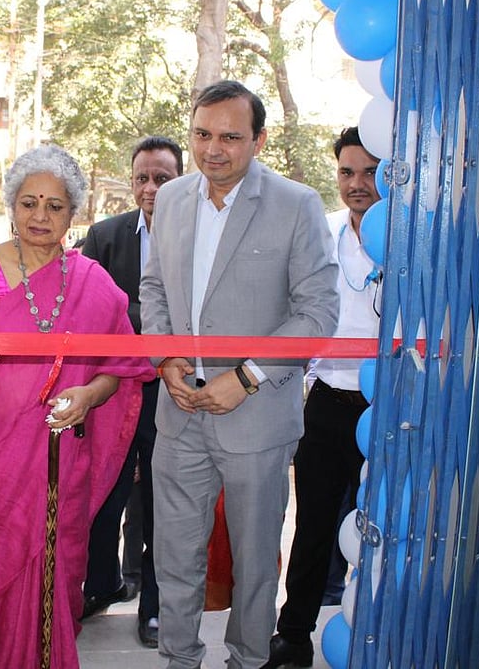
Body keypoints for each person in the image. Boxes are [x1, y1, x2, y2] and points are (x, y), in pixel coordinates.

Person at [0, 144, 153, 668]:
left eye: (55, 205)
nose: (40, 216)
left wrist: (90, 395)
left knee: (53, 581)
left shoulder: (93, 280)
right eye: (29, 203)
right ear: (11, 206)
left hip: (57, 464)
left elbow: (121, 368)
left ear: (74, 213)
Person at [139, 80, 339, 669]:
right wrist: (167, 357)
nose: (213, 149)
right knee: (174, 557)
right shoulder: (171, 198)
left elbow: (319, 311)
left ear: (259, 139)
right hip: (179, 412)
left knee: (254, 563)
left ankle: (248, 660)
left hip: (256, 417)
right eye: (202, 134)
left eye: (230, 137)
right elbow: (154, 290)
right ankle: (179, 659)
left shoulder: (295, 203)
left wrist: (246, 377)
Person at [264, 126, 382, 669]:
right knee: (311, 525)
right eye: (346, 172)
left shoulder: (409, 240)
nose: (357, 184)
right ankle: (293, 636)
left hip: (392, 410)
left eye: (370, 172)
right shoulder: (323, 231)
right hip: (330, 403)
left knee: (382, 526)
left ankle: (380, 632)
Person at [80, 136, 183, 649]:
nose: (150, 188)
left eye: (162, 178)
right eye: (142, 177)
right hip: (113, 393)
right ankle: (100, 585)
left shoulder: (193, 233)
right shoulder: (103, 237)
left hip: (172, 392)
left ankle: (155, 607)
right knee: (102, 496)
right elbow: (80, 303)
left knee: (160, 505)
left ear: (181, 179)